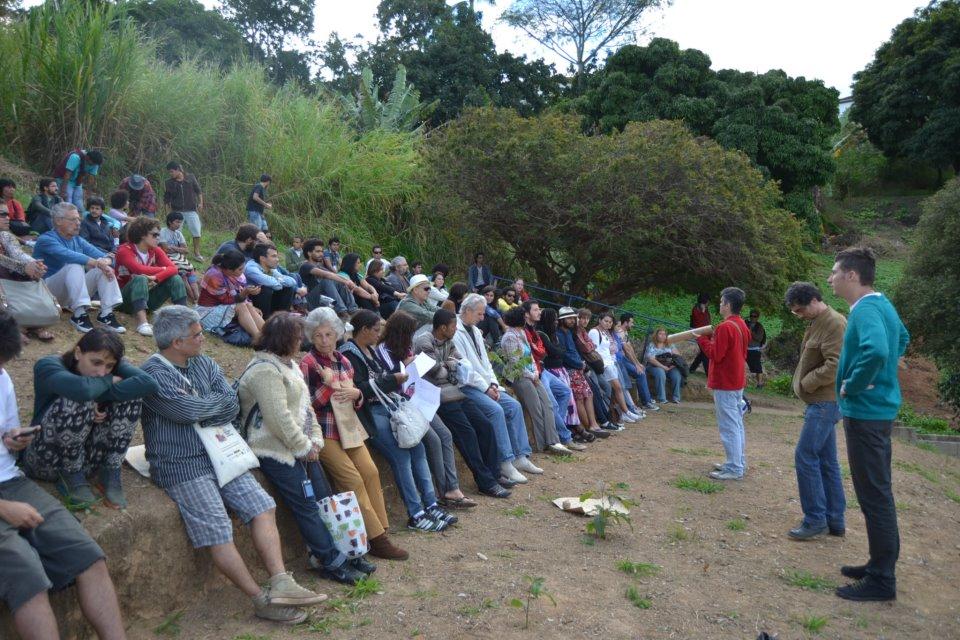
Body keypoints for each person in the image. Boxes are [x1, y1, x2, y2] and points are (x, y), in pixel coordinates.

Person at [141, 306, 326, 624]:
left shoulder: (203, 361)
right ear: (175, 342)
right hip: (181, 463)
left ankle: (281, 581)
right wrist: (205, 406)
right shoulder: (152, 375)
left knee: (263, 506)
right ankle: (260, 599)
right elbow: (186, 411)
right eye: (197, 335)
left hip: (221, 453)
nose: (203, 338)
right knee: (218, 530)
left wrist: (203, 407)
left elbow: (230, 402)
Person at [0, 310, 129, 640]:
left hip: (11, 480)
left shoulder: (2, 377)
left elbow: (6, 434)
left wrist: (13, 439)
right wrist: (4, 509)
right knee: (27, 575)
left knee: (87, 555)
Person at [238, 312, 372, 584]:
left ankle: (345, 551)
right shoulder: (264, 370)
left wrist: (315, 441)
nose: (303, 342)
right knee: (307, 505)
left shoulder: (288, 365)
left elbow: (306, 409)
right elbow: (278, 419)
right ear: (285, 340)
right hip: (273, 448)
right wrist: (303, 446)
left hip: (302, 445)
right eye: (298, 338)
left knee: (324, 498)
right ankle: (329, 559)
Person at [827, 247, 909, 602]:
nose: (829, 278)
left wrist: (853, 384)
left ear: (851, 276)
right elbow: (901, 339)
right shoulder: (881, 304)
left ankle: (881, 579)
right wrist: (885, 374)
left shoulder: (866, 310)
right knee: (877, 492)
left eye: (834, 272)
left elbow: (877, 351)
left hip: (866, 413)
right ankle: (879, 563)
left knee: (874, 495)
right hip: (876, 412)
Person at [300, 307, 409, 560]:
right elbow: (309, 404)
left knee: (371, 472)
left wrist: (357, 394)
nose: (324, 340)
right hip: (324, 431)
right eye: (318, 336)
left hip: (348, 427)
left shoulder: (343, 360)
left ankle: (382, 530)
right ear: (311, 337)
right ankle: (377, 540)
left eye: (329, 334)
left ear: (338, 334)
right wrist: (331, 386)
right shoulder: (308, 363)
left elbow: (355, 397)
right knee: (351, 480)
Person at [341, 310, 457, 531]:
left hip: (388, 406)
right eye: (376, 330)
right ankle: (416, 513)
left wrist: (393, 380)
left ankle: (430, 504)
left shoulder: (368, 349)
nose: (379, 335)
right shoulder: (349, 353)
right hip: (371, 412)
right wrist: (392, 380)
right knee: (401, 456)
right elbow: (359, 390)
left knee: (419, 448)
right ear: (364, 330)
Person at [21, 328, 157, 509]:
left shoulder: (111, 363)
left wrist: (99, 397)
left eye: (109, 367)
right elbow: (83, 390)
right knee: (78, 396)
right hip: (45, 458)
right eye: (96, 363)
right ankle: (69, 476)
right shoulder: (48, 366)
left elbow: (149, 383)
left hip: (88, 460)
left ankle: (110, 470)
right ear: (78, 353)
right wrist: (108, 382)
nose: (102, 371)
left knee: (131, 395)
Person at [377, 311, 477, 509]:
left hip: (419, 398)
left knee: (446, 436)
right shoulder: (384, 350)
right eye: (409, 333)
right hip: (403, 404)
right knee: (433, 440)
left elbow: (442, 366)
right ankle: (443, 491)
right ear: (400, 332)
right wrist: (405, 367)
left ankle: (452, 488)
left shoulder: (405, 348)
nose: (412, 338)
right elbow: (392, 380)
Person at [413, 310, 512, 499]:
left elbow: (463, 365)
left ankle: (495, 473)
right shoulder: (423, 342)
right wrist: (450, 366)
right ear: (443, 328)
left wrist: (448, 366)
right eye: (453, 326)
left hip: (457, 392)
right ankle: (486, 482)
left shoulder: (448, 340)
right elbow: (435, 372)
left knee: (485, 425)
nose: (455, 329)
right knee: (467, 434)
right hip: (438, 398)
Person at [455, 295, 546, 485]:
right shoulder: (456, 331)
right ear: (468, 311)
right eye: (480, 313)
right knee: (496, 411)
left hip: (487, 385)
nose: (482, 317)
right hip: (468, 386)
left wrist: (494, 384)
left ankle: (521, 456)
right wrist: (486, 387)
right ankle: (505, 461)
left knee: (513, 406)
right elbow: (466, 368)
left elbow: (486, 363)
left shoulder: (475, 331)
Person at [782, 282, 847, 542]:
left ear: (812, 301)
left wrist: (807, 383)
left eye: (799, 310)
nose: (798, 315)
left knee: (805, 456)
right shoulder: (817, 322)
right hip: (820, 402)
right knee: (827, 461)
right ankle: (835, 520)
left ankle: (815, 519)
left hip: (825, 403)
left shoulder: (834, 322)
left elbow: (836, 363)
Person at [32, 203, 125, 334]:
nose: (78, 223)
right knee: (73, 264)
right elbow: (67, 255)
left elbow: (106, 256)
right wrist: (98, 262)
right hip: (46, 293)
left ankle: (106, 314)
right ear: (58, 221)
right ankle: (79, 314)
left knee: (101, 269)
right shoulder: (46, 239)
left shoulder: (77, 240)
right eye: (73, 219)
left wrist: (105, 262)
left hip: (68, 294)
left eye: (78, 219)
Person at [500, 307, 573, 455]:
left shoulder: (521, 333)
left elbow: (531, 357)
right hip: (519, 377)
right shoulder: (509, 337)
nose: (526, 317)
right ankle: (542, 444)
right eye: (523, 315)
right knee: (536, 409)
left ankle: (554, 441)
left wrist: (535, 372)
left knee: (548, 404)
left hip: (532, 375)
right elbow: (515, 363)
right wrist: (530, 375)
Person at [696, 287, 750, 481]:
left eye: (721, 302)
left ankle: (735, 467)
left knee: (729, 426)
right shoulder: (741, 324)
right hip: (735, 381)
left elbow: (715, 354)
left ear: (727, 305)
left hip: (726, 382)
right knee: (735, 423)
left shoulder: (725, 327)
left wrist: (701, 339)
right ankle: (737, 462)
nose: (719, 305)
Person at [522, 301, 587, 450]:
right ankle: (565, 437)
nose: (539, 312)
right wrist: (545, 352)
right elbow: (543, 352)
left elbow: (547, 352)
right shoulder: (528, 331)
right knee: (552, 404)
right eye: (536, 309)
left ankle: (557, 427)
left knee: (565, 392)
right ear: (526, 314)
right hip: (536, 372)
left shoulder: (534, 329)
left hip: (542, 370)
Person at [115, 217, 188, 336]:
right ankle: (142, 323)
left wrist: (156, 278)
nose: (158, 238)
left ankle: (185, 320)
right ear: (142, 234)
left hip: (144, 299)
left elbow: (174, 269)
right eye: (154, 235)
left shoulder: (155, 250)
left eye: (158, 235)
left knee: (176, 279)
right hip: (122, 300)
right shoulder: (125, 250)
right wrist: (163, 269)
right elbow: (138, 269)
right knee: (140, 278)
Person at [538, 308, 595, 445]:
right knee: (569, 400)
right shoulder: (543, 333)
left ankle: (582, 427)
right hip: (552, 370)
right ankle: (573, 430)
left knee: (582, 395)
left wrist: (581, 363)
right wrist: (577, 363)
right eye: (555, 320)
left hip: (563, 369)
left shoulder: (563, 333)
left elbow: (565, 351)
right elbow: (556, 352)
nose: (556, 322)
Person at [0, 206, 53, 342]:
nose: (7, 218)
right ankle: (12, 327)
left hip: (7, 275)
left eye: (7, 214)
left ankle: (33, 323)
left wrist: (34, 264)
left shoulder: (5, 235)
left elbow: (19, 254)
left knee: (30, 276)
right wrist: (23, 267)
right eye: (2, 214)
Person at [556, 307, 609, 439]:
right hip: (569, 369)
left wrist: (581, 363)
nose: (572, 321)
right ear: (561, 320)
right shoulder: (559, 334)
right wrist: (579, 364)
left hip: (578, 367)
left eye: (573, 318)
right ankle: (587, 427)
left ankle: (594, 425)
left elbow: (575, 350)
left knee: (589, 394)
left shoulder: (569, 332)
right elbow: (564, 355)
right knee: (579, 397)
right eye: (568, 318)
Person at [197, 250, 264, 342]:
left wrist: (251, 306)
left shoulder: (233, 274)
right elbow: (227, 300)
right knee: (241, 306)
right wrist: (245, 292)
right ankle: (258, 337)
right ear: (229, 269)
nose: (243, 271)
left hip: (225, 306)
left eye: (243, 267)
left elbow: (240, 294)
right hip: (208, 311)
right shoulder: (214, 275)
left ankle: (268, 334)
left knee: (247, 305)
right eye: (240, 269)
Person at [590, 312, 643, 422]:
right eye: (606, 321)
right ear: (599, 320)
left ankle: (623, 412)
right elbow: (594, 350)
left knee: (617, 389)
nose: (608, 324)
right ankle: (625, 412)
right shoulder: (595, 332)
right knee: (618, 388)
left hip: (610, 362)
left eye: (610, 322)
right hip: (604, 365)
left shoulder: (605, 332)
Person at [298, 238, 358, 315]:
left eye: (322, 251)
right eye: (318, 251)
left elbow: (335, 276)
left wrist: (348, 283)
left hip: (322, 298)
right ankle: (342, 311)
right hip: (310, 301)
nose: (321, 254)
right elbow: (327, 275)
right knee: (327, 280)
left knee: (339, 281)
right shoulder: (305, 266)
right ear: (309, 253)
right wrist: (347, 281)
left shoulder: (319, 266)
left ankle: (352, 309)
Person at [244, 243, 299, 319]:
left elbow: (292, 282)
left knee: (288, 288)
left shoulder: (271, 268)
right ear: (262, 258)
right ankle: (265, 320)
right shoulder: (251, 268)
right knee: (265, 289)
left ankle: (282, 319)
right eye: (274, 256)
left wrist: (278, 281)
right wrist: (279, 281)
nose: (277, 259)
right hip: (250, 301)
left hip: (268, 300)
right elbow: (274, 285)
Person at [163, 161, 204, 262]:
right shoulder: (169, 182)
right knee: (176, 232)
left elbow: (198, 191)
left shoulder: (190, 177)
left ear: (178, 170)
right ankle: (178, 253)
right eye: (170, 172)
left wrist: (201, 203)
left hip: (191, 210)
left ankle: (197, 253)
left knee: (196, 231)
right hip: (177, 211)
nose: (171, 174)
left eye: (172, 171)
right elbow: (166, 200)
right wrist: (168, 213)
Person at [617, 313, 657, 411]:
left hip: (624, 359)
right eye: (631, 322)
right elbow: (627, 351)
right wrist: (636, 365)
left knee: (641, 371)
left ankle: (647, 399)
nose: (633, 324)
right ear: (626, 322)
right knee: (640, 373)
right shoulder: (620, 333)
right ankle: (646, 402)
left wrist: (638, 363)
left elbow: (630, 350)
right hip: (620, 360)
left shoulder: (625, 332)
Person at [158, 211, 200, 301]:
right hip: (167, 257)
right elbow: (165, 250)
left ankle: (197, 298)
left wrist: (173, 247)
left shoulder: (178, 233)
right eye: (177, 222)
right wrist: (179, 248)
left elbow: (186, 250)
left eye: (180, 222)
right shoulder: (163, 231)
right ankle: (193, 298)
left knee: (191, 272)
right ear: (170, 222)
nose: (179, 224)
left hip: (178, 257)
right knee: (183, 274)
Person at [645, 327, 684, 405]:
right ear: (656, 335)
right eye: (660, 334)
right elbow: (651, 359)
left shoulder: (670, 344)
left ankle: (676, 398)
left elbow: (677, 356)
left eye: (664, 334)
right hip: (654, 366)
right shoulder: (652, 344)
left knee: (676, 375)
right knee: (660, 373)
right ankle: (662, 398)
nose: (663, 336)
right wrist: (663, 367)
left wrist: (673, 365)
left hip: (669, 366)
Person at [689, 293, 711, 375]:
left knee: (703, 353)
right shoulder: (697, 309)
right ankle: (709, 374)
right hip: (700, 334)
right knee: (705, 353)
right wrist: (703, 311)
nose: (709, 303)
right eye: (708, 301)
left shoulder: (705, 309)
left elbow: (707, 322)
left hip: (706, 334)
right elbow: (700, 322)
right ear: (705, 300)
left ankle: (692, 368)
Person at [746, 309, 767, 388]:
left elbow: (759, 338)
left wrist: (751, 332)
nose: (752, 317)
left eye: (754, 316)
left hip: (755, 349)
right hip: (745, 348)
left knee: (758, 368)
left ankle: (759, 384)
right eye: (751, 316)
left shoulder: (760, 327)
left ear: (757, 317)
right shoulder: (746, 323)